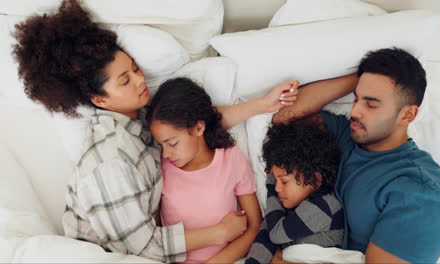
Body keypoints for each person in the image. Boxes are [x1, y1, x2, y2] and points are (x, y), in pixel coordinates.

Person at [11, 0, 298, 262]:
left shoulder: (138, 121)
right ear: (100, 100)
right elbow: (141, 246)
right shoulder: (111, 161)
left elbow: (196, 121)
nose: (139, 81)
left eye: (135, 69)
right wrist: (219, 233)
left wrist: (263, 104)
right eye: (125, 81)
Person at [272, 48, 440, 263]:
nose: (355, 112)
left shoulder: (421, 194)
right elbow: (285, 117)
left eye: (371, 104)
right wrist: (363, 77)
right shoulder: (348, 137)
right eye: (355, 99)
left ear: (407, 114)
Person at [147, 77, 262, 263]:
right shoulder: (160, 165)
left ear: (199, 128)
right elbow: (156, 235)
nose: (166, 153)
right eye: (161, 145)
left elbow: (254, 225)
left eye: (172, 143)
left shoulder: (230, 158)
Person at [245, 122, 344, 264]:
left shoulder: (324, 206)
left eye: (284, 182)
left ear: (315, 179)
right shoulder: (287, 207)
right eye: (275, 179)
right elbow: (266, 234)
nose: (278, 188)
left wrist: (271, 186)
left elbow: (275, 235)